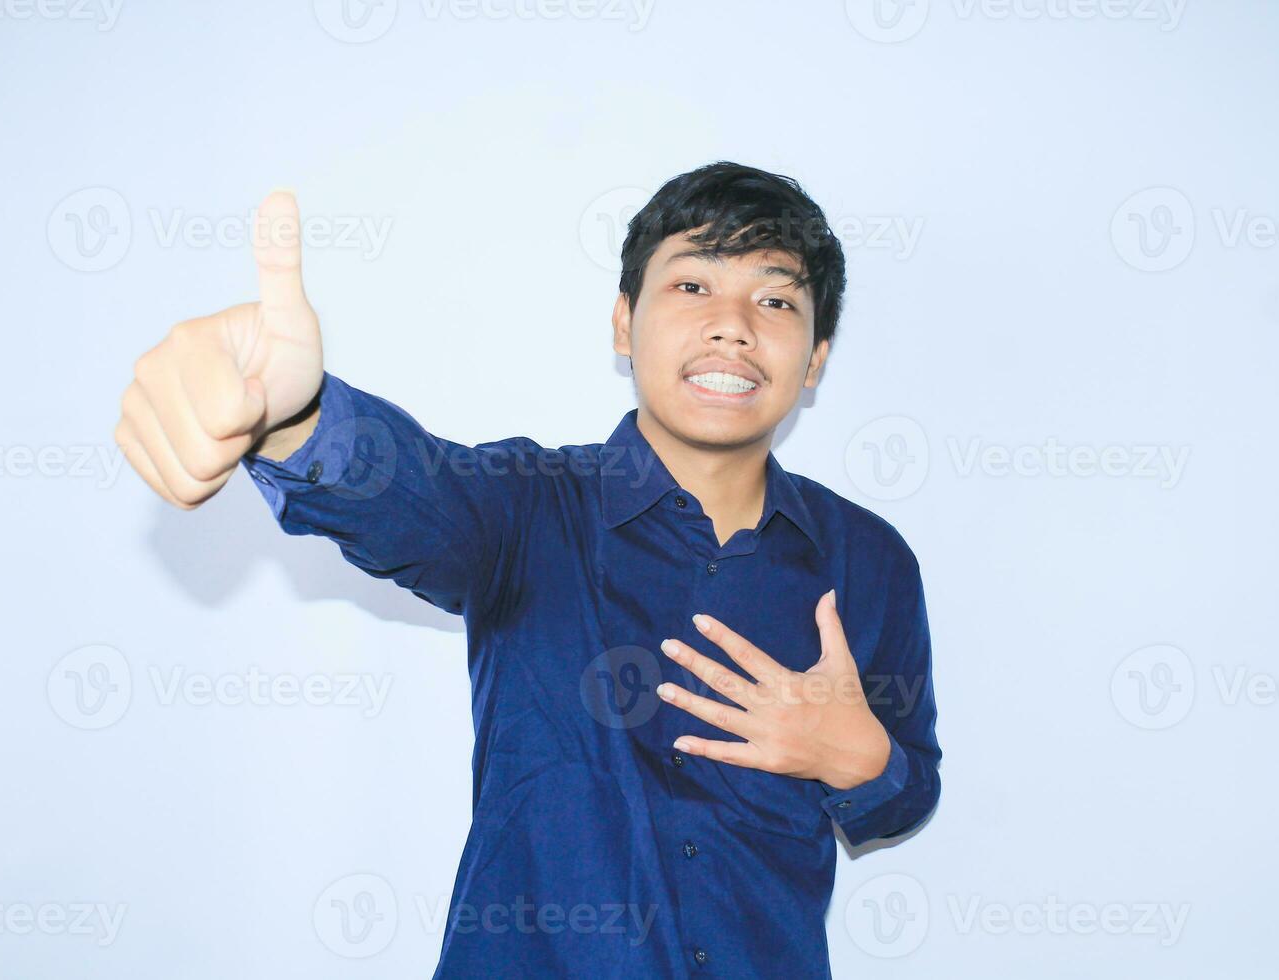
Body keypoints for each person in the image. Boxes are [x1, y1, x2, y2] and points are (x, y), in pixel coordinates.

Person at [113, 161, 941, 978]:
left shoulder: (868, 561)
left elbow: (908, 791)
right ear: (624, 324)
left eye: (775, 299)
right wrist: (295, 417)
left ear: (816, 357)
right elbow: (411, 493)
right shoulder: (526, 510)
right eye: (693, 287)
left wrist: (859, 758)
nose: (733, 325)